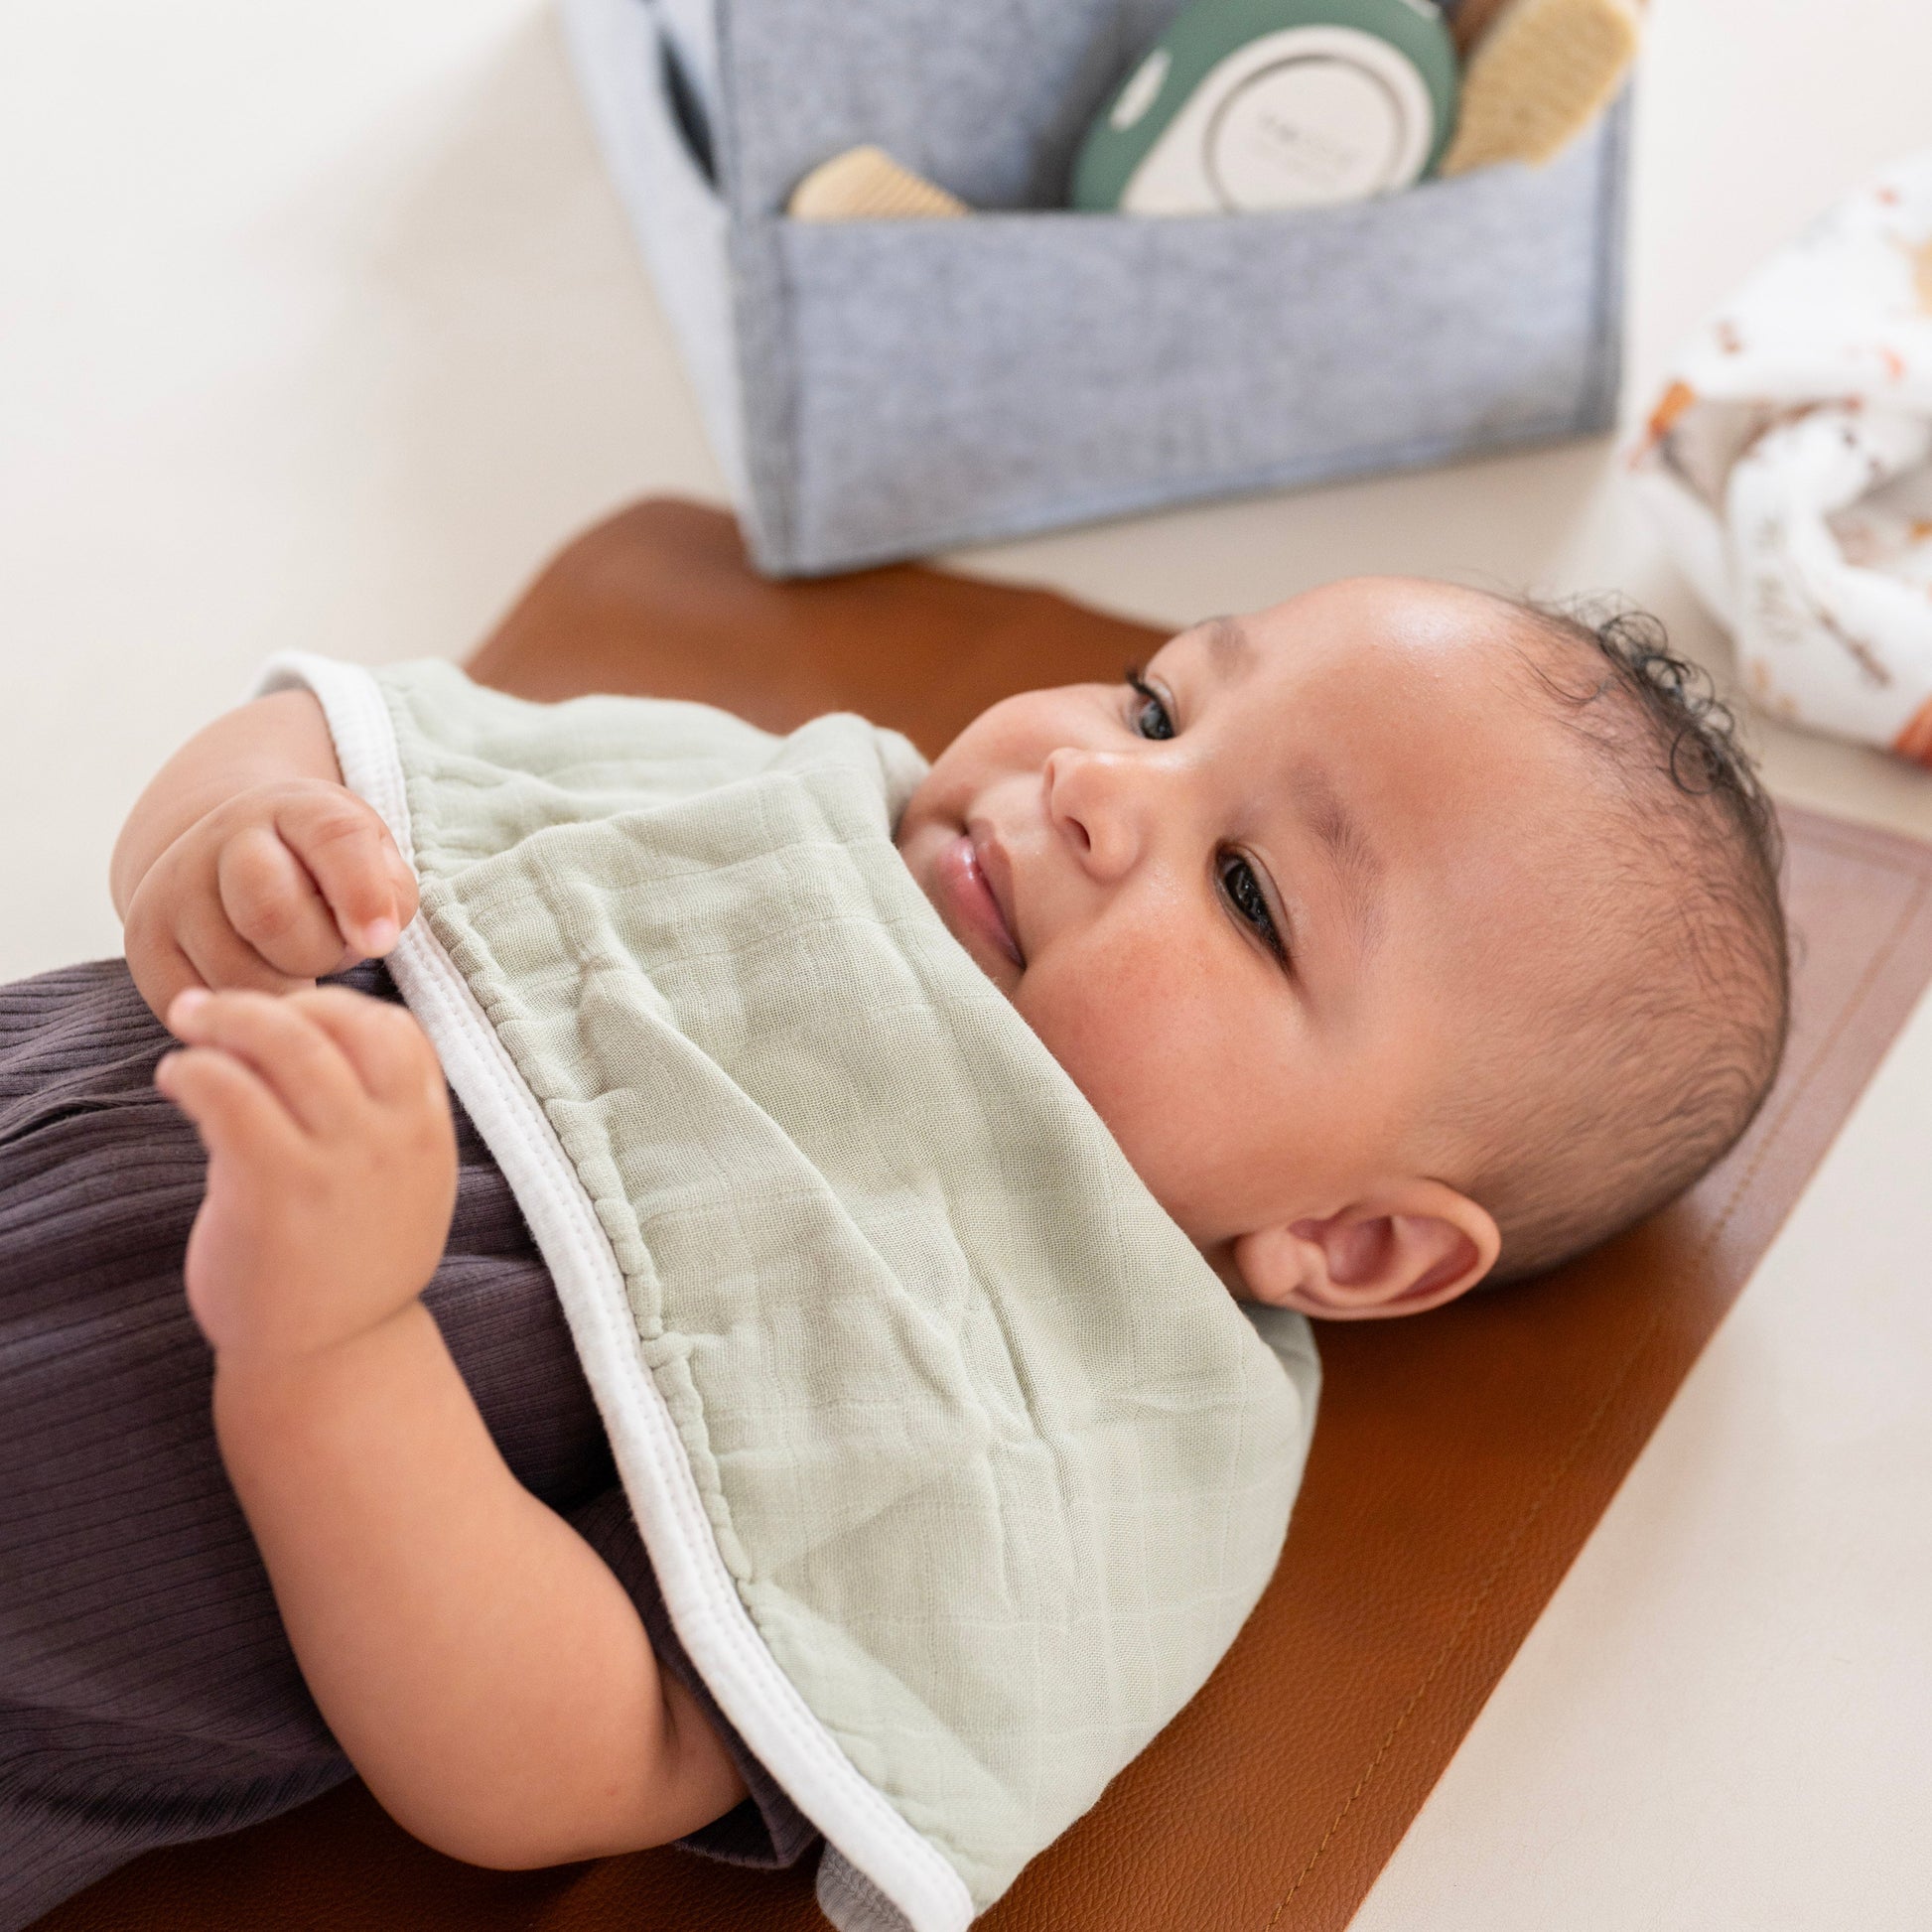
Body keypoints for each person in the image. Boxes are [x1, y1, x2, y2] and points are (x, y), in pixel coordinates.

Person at [0, 577, 1788, 1929]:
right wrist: (229, 845)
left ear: (1352, 1237)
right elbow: (329, 742)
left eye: (1247, 889)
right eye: (1159, 702)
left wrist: (332, 1347)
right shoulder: (790, 802)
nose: (1094, 783)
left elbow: (567, 1757)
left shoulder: (1077, 1426)